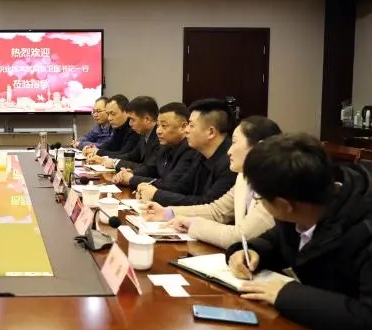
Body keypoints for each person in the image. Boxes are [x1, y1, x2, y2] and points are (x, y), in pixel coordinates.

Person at [226, 133, 372, 330]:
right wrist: (252, 251)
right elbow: (280, 239)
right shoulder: (308, 196)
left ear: (284, 205)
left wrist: (287, 295)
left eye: (260, 199)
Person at [142, 116, 281, 248]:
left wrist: (192, 225)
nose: (229, 151)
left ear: (258, 148)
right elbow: (217, 211)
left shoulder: (275, 188)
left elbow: (240, 237)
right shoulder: (243, 177)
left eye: (234, 142)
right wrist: (167, 213)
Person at [137, 98, 236, 205]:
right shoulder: (199, 154)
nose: (186, 130)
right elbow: (181, 187)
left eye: (191, 125)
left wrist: (156, 194)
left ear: (211, 132)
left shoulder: (231, 163)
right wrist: (148, 189)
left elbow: (207, 204)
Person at [113, 102, 198, 189]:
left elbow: (170, 184)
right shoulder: (165, 146)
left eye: (164, 126)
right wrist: (131, 173)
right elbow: (151, 169)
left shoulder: (190, 149)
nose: (158, 131)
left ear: (183, 126)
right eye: (158, 125)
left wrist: (131, 179)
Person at [90, 96, 159, 173]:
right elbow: (132, 156)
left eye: (132, 119)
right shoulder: (144, 134)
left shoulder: (159, 137)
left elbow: (150, 169)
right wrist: (105, 159)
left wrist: (115, 163)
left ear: (147, 119)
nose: (130, 123)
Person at [83, 94, 139, 158]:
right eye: (108, 114)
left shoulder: (134, 128)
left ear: (125, 112)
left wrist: (97, 152)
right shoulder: (118, 127)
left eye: (113, 114)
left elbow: (123, 154)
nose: (109, 118)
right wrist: (93, 149)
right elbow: (109, 145)